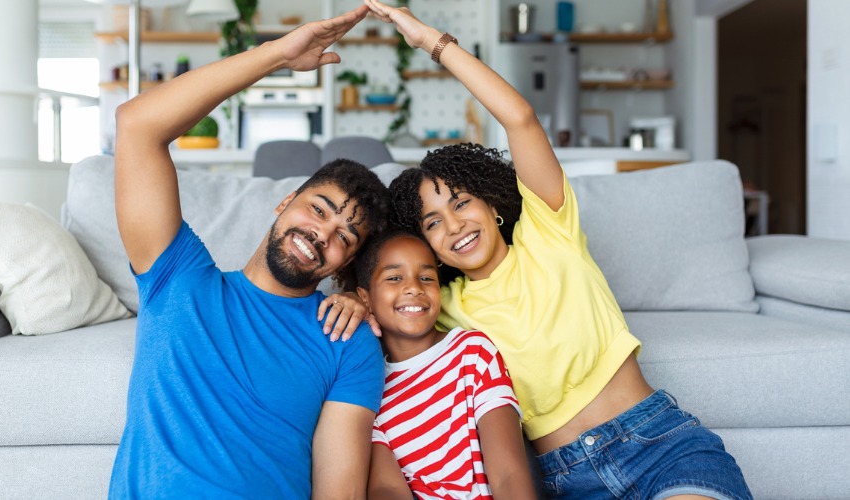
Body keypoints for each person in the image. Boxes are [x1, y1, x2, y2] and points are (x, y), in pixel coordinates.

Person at [365, 1, 753, 498]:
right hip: (567, 480)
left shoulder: (548, 228)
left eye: (461, 202)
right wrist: (355, 301)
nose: (455, 224)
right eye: (433, 223)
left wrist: (432, 43)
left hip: (659, 446)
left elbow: (520, 118)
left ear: (492, 204)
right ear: (429, 248)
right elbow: (385, 290)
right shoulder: (446, 308)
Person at [109, 6, 390, 498]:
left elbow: (338, 491)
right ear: (285, 202)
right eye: (319, 209)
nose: (324, 233)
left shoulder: (348, 342)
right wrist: (278, 54)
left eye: (345, 236)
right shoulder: (177, 275)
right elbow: (137, 125)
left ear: (345, 261)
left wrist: (362, 298)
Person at [354, 228, 536, 500]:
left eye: (427, 278)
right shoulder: (369, 387)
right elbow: (386, 489)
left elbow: (508, 473)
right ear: (365, 298)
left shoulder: (472, 352)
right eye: (394, 277)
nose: (414, 287)